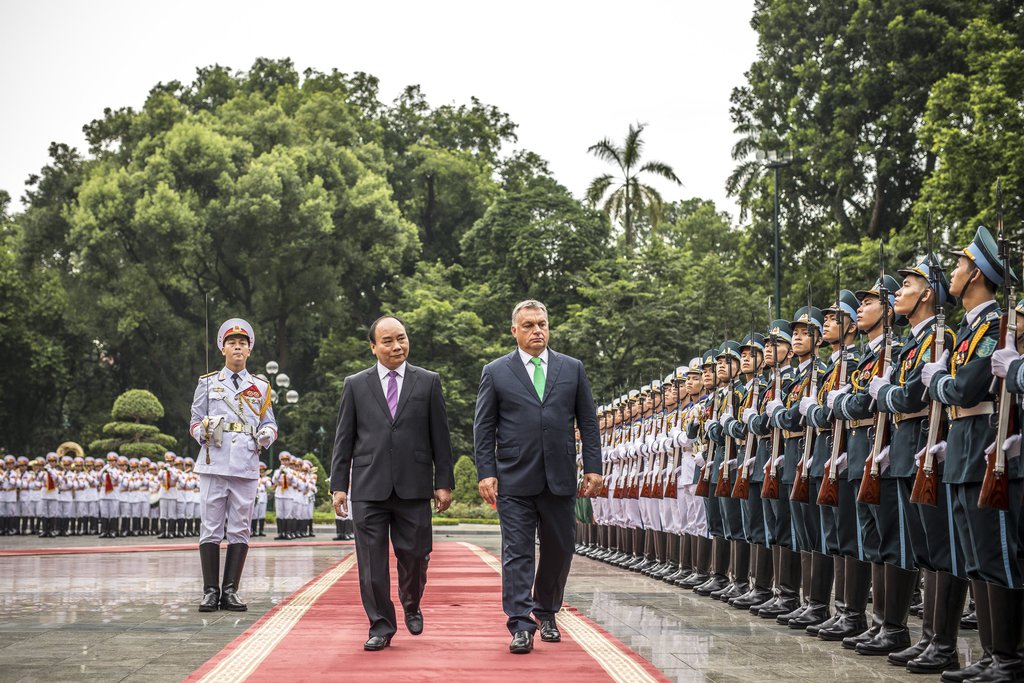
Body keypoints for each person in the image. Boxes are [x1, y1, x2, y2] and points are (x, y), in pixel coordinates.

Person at [473, 299, 602, 654]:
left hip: (560, 477)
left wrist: (593, 466)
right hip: (514, 478)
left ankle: (547, 611)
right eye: (528, 325)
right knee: (517, 552)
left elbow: (588, 422)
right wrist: (486, 472)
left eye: (542, 324)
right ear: (514, 330)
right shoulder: (496, 371)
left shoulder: (571, 368)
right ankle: (520, 623)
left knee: (560, 549)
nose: (537, 331)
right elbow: (483, 428)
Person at [330, 315, 455, 651]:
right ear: (373, 347)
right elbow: (344, 438)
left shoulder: (427, 382)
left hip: (414, 487)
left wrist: (444, 481)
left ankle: (411, 601)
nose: (397, 346)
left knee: (415, 555)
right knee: (371, 564)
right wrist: (339, 484)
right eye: (388, 341)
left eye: (401, 338)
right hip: (369, 488)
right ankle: (381, 625)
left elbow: (440, 437)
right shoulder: (355, 384)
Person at [189, 318, 277, 613]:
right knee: (211, 527)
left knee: (240, 528)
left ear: (249, 350)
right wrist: (200, 430)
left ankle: (230, 591)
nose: (237, 347)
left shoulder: (261, 387)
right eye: (232, 343)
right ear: (223, 349)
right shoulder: (208, 383)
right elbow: (193, 421)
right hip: (214, 462)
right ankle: (210, 591)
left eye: (243, 343)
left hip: (246, 463)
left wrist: (266, 436)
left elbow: (270, 424)